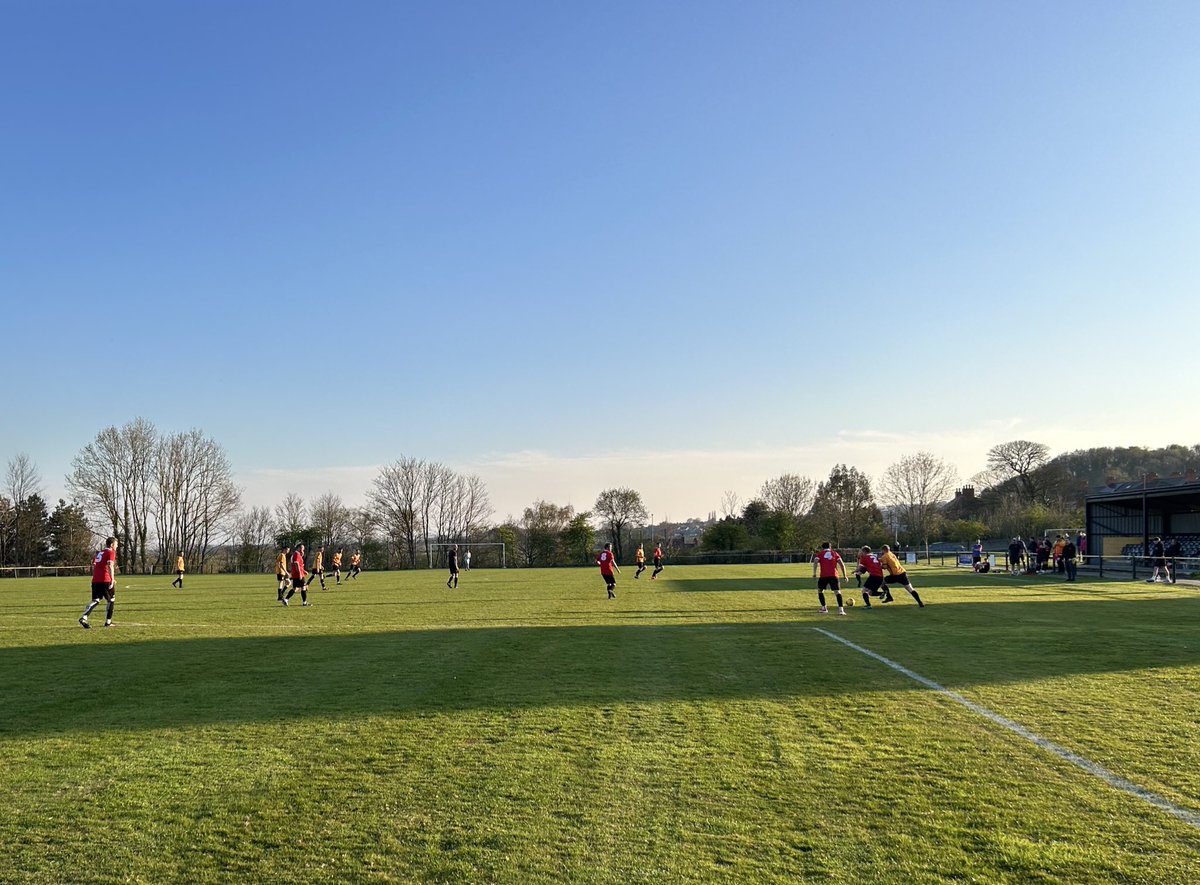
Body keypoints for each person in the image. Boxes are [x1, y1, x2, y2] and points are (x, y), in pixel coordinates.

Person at [80, 536, 118, 628]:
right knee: (111, 600)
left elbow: (95, 564)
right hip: (105, 580)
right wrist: (112, 579)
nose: (117, 546)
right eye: (116, 544)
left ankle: (84, 617)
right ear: (112, 545)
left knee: (96, 600)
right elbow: (110, 566)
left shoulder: (99, 553)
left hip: (96, 580)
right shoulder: (110, 552)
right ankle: (108, 622)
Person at [813, 541, 847, 615]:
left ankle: (824, 608)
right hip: (834, 575)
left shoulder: (820, 554)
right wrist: (845, 575)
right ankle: (841, 610)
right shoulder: (835, 553)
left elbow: (815, 561)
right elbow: (842, 564)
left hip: (824, 575)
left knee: (820, 591)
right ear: (830, 547)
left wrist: (814, 573)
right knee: (837, 592)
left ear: (822, 547)